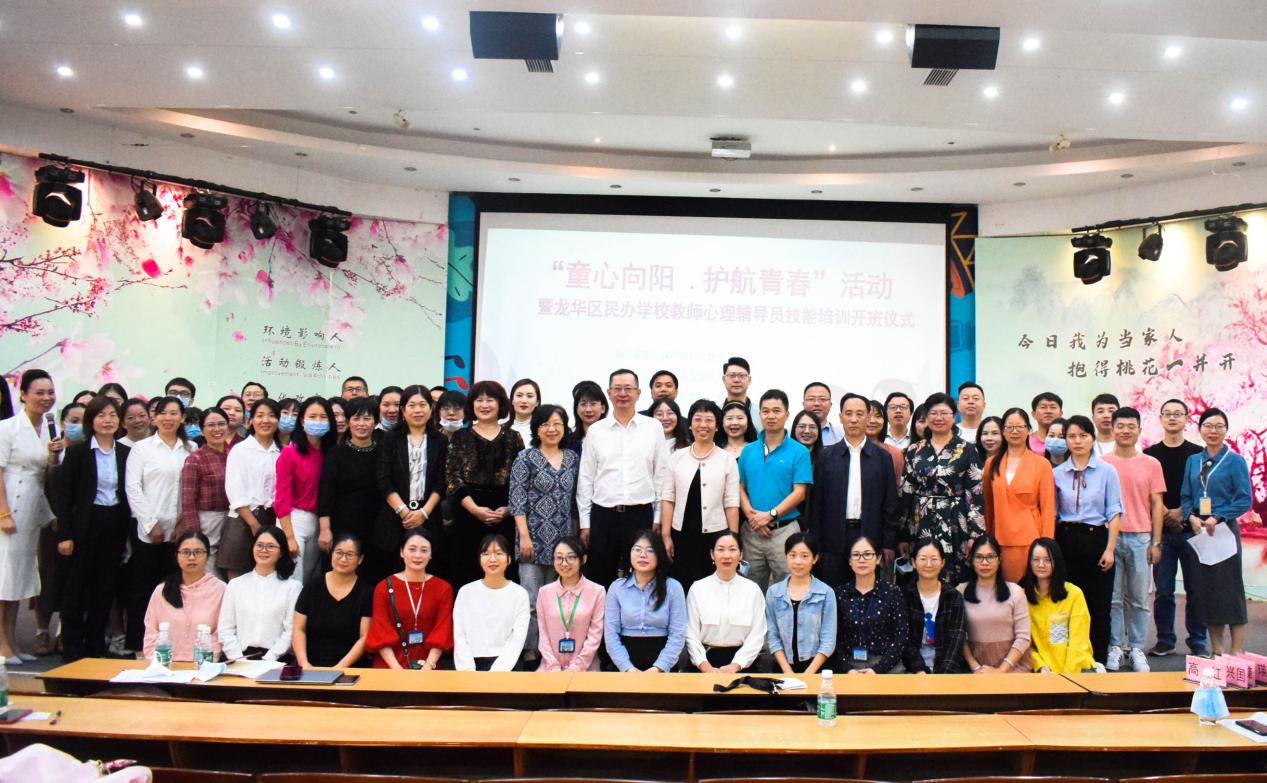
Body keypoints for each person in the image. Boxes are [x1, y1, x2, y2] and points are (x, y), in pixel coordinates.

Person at [55, 395, 130, 662]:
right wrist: (65, 535)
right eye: (101, 415)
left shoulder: (126, 453)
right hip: (84, 526)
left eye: (112, 415)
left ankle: (95, 646)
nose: (107, 420)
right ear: (91, 420)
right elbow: (64, 497)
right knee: (76, 589)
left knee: (105, 588)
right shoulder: (77, 453)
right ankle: (72, 649)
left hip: (114, 523)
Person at [577, 370, 669, 586]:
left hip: (640, 515)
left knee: (640, 576)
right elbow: (586, 479)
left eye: (628, 389)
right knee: (600, 577)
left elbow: (661, 476)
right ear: (609, 393)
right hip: (603, 515)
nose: (623, 394)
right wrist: (585, 523)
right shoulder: (596, 431)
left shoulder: (653, 428)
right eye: (617, 389)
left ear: (638, 393)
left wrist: (657, 517)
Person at [125, 396, 197, 655]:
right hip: (149, 532)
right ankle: (138, 647)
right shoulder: (142, 449)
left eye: (174, 413)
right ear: (154, 418)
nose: (168, 418)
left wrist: (183, 521)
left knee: (174, 591)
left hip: (179, 532)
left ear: (182, 417)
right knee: (143, 591)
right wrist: (150, 523)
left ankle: (172, 647)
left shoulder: (190, 448)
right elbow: (133, 488)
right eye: (163, 413)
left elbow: (191, 489)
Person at [1181, 408, 1252, 656]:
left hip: (1223, 530)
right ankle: (1217, 651)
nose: (1213, 431)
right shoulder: (1193, 460)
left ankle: (1237, 651)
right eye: (1208, 426)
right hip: (1200, 531)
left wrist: (1218, 516)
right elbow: (1186, 495)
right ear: (1200, 429)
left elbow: (1244, 499)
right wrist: (1190, 516)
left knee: (1231, 590)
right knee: (1207, 591)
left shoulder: (1235, 461)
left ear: (1226, 430)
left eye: (1219, 426)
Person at [510, 404, 579, 660]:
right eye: (545, 424)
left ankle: (552, 649)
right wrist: (524, 536)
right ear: (536, 428)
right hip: (532, 539)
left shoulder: (572, 458)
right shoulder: (525, 457)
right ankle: (530, 651)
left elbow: (575, 500)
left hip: (563, 542)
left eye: (557, 424)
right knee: (531, 599)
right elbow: (517, 499)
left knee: (557, 600)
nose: (552, 429)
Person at [810, 393, 899, 589]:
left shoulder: (882, 458)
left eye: (860, 414)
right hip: (833, 538)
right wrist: (816, 543)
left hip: (871, 535)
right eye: (848, 413)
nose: (853, 419)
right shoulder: (826, 456)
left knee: (868, 592)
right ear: (840, 417)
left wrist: (888, 543)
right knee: (833, 591)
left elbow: (890, 504)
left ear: (868, 417)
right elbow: (817, 505)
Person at [0, 369, 59, 663]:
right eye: (39, 392)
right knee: (4, 578)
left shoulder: (48, 428)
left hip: (32, 508)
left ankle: (11, 640)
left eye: (50, 392)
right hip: (10, 505)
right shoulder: (7, 428)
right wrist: (3, 513)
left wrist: (54, 457)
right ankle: (2, 644)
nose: (46, 398)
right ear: (23, 394)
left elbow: (44, 473)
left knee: (18, 579)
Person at [1053, 414, 1122, 664]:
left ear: (1092, 438)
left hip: (1096, 539)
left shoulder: (1107, 471)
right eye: (1072, 436)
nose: (1077, 441)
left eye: (1083, 435)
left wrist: (1110, 549)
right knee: (1064, 602)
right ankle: (1065, 656)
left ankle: (1098, 659)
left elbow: (1114, 511)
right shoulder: (1057, 473)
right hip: (1065, 539)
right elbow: (1052, 513)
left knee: (1098, 603)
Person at [1101, 407, 1165, 673]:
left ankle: (1137, 647)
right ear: (1112, 428)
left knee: (1139, 598)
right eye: (1121, 426)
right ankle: (1115, 646)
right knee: (1113, 598)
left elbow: (1157, 504)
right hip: (1110, 538)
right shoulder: (1103, 462)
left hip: (1141, 538)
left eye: (1131, 426)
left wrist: (1156, 542)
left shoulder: (1151, 464)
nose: (1126, 431)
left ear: (1139, 430)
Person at [899, 393, 985, 585]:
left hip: (955, 520)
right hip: (921, 520)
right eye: (933, 413)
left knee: (954, 575)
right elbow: (906, 492)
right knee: (923, 572)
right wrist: (902, 534)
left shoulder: (967, 449)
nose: (939, 418)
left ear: (954, 416)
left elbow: (976, 494)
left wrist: (975, 534)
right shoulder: (914, 450)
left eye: (944, 413)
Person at [1144, 398, 1207, 657]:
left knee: (1197, 590)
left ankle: (1198, 641)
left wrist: (1185, 511)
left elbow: (1204, 491)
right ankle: (1165, 640)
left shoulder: (1198, 453)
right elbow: (1146, 492)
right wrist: (1166, 513)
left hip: (1192, 531)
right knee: (1164, 592)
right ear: (1160, 418)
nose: (1172, 418)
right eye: (1167, 413)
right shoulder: (1149, 454)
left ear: (1187, 419)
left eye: (1178, 413)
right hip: (1162, 533)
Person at [447, 381, 524, 587]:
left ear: (500, 404)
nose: (484, 405)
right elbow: (453, 479)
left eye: (490, 400)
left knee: (504, 572)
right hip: (468, 513)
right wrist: (474, 509)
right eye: (479, 400)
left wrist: (509, 509)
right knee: (466, 571)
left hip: (505, 514)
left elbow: (521, 480)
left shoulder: (513, 437)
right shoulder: (460, 437)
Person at [737, 390, 813, 590]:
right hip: (751, 531)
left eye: (776, 411)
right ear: (759, 414)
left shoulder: (799, 451)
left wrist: (770, 515)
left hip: (784, 531)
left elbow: (800, 493)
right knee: (748, 589)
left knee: (788, 588)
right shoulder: (748, 450)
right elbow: (739, 487)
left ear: (787, 414)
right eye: (766, 411)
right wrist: (753, 518)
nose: (770, 416)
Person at [662, 399, 740, 592]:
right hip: (681, 534)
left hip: (715, 535)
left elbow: (731, 502)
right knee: (681, 584)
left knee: (712, 586)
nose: (703, 425)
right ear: (690, 424)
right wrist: (666, 535)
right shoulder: (676, 458)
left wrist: (734, 540)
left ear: (717, 426)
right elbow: (668, 498)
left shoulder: (727, 460)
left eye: (709, 420)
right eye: (697, 419)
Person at [376, 386, 448, 584]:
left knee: (428, 573)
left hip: (429, 517)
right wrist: (404, 511)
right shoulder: (390, 439)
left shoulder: (440, 441)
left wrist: (423, 513)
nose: (417, 410)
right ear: (403, 410)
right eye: (412, 405)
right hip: (394, 518)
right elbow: (383, 478)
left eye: (422, 405)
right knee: (393, 574)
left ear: (431, 408)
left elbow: (441, 481)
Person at [982, 408, 1056, 583]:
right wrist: (988, 538)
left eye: (1019, 426)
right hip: (1000, 538)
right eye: (1009, 427)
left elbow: (1047, 508)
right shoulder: (991, 464)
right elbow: (988, 505)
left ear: (1028, 429)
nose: (1014, 431)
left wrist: (1046, 544)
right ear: (1003, 431)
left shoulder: (1042, 464)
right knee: (1004, 589)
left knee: (1031, 589)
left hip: (1031, 538)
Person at [366, 529, 454, 669]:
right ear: (402, 552)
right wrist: (397, 669)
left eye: (424, 550)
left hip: (429, 665)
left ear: (431, 554)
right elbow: (380, 630)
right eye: (412, 549)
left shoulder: (443, 588)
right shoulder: (383, 587)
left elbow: (443, 630)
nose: (417, 555)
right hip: (390, 666)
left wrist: (428, 665)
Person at [604, 531, 686, 672]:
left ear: (659, 554)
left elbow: (677, 634)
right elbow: (611, 635)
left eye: (650, 550)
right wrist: (627, 668)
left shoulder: (673, 587)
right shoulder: (617, 588)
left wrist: (659, 667)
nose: (643, 555)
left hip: (663, 664)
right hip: (624, 664)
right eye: (637, 550)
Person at [317, 396, 381, 575]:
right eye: (356, 418)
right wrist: (325, 529)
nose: (361, 424)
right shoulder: (335, 454)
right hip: (341, 526)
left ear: (375, 422)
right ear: (348, 421)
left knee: (371, 575)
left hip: (375, 528)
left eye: (367, 418)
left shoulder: (383, 452)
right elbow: (325, 494)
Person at [685, 532, 766, 672]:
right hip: (703, 664)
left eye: (732, 549)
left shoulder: (753, 590)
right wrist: (705, 666)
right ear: (712, 554)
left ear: (741, 554)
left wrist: (736, 665)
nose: (726, 555)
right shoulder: (697, 588)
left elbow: (757, 634)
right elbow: (690, 633)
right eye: (720, 549)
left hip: (743, 665)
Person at [276, 396, 336, 585]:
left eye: (323, 417)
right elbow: (282, 498)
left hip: (320, 521)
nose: (318, 421)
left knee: (311, 579)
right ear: (302, 421)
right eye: (312, 416)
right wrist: (289, 537)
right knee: (294, 580)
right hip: (294, 520)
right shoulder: (290, 452)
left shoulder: (331, 454)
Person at [218, 526, 301, 662]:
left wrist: (269, 659)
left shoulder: (292, 587)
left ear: (281, 552)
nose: (264, 550)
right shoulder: (235, 585)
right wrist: (239, 659)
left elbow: (290, 631)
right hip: (239, 658)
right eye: (259, 545)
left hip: (276, 659)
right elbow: (225, 629)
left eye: (270, 546)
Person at [142, 530, 225, 661]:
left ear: (208, 555)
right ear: (177, 556)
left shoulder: (220, 590)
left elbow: (221, 633)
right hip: (165, 665)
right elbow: (151, 631)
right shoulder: (162, 590)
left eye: (198, 552)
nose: (191, 557)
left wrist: (208, 662)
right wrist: (158, 663)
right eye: (186, 552)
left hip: (204, 665)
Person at [293, 533, 374, 668]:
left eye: (350, 555)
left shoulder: (366, 592)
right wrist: (304, 664)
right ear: (331, 554)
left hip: (350, 669)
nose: (343, 559)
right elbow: (298, 629)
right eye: (339, 553)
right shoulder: (313, 585)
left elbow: (364, 637)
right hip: (311, 668)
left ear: (360, 559)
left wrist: (338, 668)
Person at [452, 534, 530, 671]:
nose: (492, 559)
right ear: (479, 559)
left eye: (499, 553)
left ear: (509, 559)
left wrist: (498, 671)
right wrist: (467, 670)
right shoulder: (466, 592)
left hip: (507, 666)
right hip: (469, 666)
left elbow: (517, 637)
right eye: (486, 554)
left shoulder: (519, 594)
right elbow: (459, 634)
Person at [223, 399, 281, 580]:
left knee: (268, 571)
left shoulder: (281, 452)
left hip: (272, 518)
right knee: (237, 571)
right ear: (250, 420)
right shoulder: (240, 450)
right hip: (243, 518)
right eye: (260, 415)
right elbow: (235, 489)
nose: (266, 420)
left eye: (271, 416)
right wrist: (254, 524)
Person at [958, 534, 1031, 673]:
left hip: (1013, 668)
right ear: (972, 560)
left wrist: (1000, 671)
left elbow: (1024, 637)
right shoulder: (960, 592)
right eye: (979, 557)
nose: (985, 563)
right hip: (974, 668)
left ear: (999, 559)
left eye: (991, 557)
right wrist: (976, 667)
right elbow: (958, 635)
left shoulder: (1015, 592)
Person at [1021, 537, 1095, 674]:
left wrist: (1066, 677)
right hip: (1042, 671)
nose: (1041, 564)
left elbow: (1079, 643)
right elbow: (1025, 644)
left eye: (1047, 560)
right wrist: (1040, 665)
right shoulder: (1022, 597)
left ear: (1057, 562)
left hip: (1076, 670)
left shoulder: (1074, 594)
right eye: (1036, 559)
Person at [833, 536, 906, 674]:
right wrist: (847, 669)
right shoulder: (839, 594)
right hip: (849, 666)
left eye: (867, 554)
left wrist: (877, 670)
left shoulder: (892, 592)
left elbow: (901, 637)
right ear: (849, 561)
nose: (862, 560)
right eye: (856, 555)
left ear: (878, 558)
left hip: (886, 666)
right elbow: (833, 639)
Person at [765, 532, 836, 674]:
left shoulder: (826, 592)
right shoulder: (773, 592)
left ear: (815, 558)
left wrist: (808, 674)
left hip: (817, 669)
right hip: (783, 668)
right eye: (792, 555)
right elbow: (772, 636)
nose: (798, 562)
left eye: (804, 556)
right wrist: (787, 670)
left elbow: (828, 639)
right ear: (786, 557)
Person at [535, 537, 606, 671]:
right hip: (550, 666)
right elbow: (543, 635)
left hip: (586, 667)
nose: (564, 563)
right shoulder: (544, 592)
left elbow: (595, 635)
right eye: (559, 558)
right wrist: (553, 666)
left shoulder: (597, 591)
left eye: (571, 557)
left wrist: (577, 667)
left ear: (583, 559)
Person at [178, 407, 231, 574]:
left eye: (221, 424)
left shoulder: (235, 455)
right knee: (210, 571)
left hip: (233, 519)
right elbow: (188, 500)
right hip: (208, 520)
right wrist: (194, 533)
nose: (217, 429)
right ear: (202, 430)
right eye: (211, 425)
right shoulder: (195, 459)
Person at [901, 540, 967, 674]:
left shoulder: (953, 596)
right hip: (912, 671)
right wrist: (919, 670)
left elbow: (956, 639)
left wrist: (943, 676)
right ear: (913, 562)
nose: (928, 564)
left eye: (934, 559)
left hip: (947, 672)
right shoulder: (904, 596)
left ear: (942, 562)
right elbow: (903, 639)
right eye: (923, 559)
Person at [865, 399, 905, 485]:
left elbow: (897, 487)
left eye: (878, 416)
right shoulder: (852, 450)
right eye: (868, 416)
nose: (872, 420)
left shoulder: (895, 454)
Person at [565, 381, 607, 455]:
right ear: (576, 409)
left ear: (603, 408)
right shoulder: (568, 441)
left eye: (593, 404)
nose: (588, 410)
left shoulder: (613, 437)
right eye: (583, 404)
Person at [508, 378, 541, 443]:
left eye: (529, 396)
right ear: (512, 400)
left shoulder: (544, 431)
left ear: (537, 402)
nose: (524, 401)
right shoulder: (500, 430)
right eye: (519, 395)